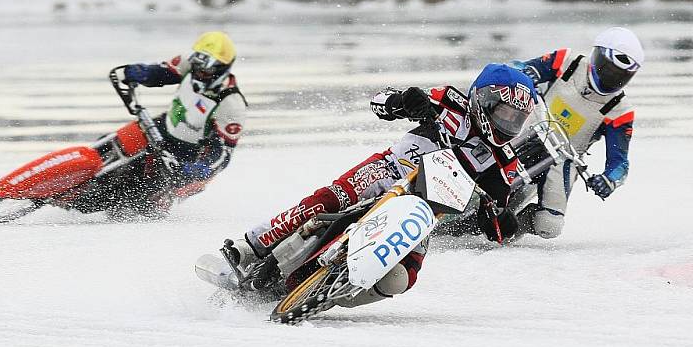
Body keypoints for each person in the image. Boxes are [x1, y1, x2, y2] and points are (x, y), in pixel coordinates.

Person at [218, 64, 536, 307]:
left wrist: (501, 219)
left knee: (402, 278)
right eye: (505, 112)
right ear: (483, 98)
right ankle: (252, 246)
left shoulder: (503, 162)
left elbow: (495, 222)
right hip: (389, 169)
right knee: (328, 200)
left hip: (424, 212)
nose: (508, 124)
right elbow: (380, 101)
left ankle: (334, 293)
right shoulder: (450, 101)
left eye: (516, 118)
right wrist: (405, 101)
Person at [503, 27, 643, 240]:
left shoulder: (621, 111)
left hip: (562, 159)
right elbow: (515, 68)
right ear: (597, 56)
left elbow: (620, 164)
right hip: (526, 128)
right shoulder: (567, 60)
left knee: (549, 225)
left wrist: (608, 181)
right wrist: (526, 73)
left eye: (621, 75)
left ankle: (512, 227)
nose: (612, 78)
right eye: (609, 70)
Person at [120, 31, 247, 210]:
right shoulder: (190, 62)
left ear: (221, 68)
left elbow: (224, 153)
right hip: (161, 128)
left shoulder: (232, 104)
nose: (199, 73)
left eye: (207, 69)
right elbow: (164, 73)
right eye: (197, 66)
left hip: (186, 159)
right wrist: (144, 73)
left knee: (138, 204)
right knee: (114, 145)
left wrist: (201, 168)